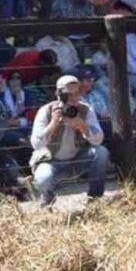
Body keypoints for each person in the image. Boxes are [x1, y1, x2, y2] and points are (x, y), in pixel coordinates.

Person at [29, 75, 108, 206]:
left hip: (78, 159)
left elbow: (98, 140)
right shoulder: (46, 111)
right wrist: (53, 124)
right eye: (68, 95)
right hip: (52, 161)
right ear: (58, 94)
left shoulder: (86, 109)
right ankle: (47, 198)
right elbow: (36, 144)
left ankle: (95, 199)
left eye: (76, 94)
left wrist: (83, 127)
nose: (73, 99)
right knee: (43, 179)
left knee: (101, 153)